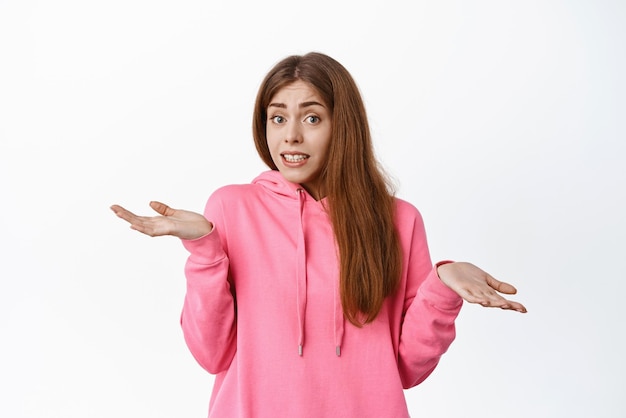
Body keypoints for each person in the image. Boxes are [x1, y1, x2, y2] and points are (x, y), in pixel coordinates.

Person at [111, 52, 526, 418]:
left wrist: (443, 286)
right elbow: (211, 353)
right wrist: (204, 250)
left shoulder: (397, 221)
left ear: (342, 125)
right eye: (278, 117)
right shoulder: (231, 210)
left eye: (311, 117)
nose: (291, 135)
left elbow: (406, 368)